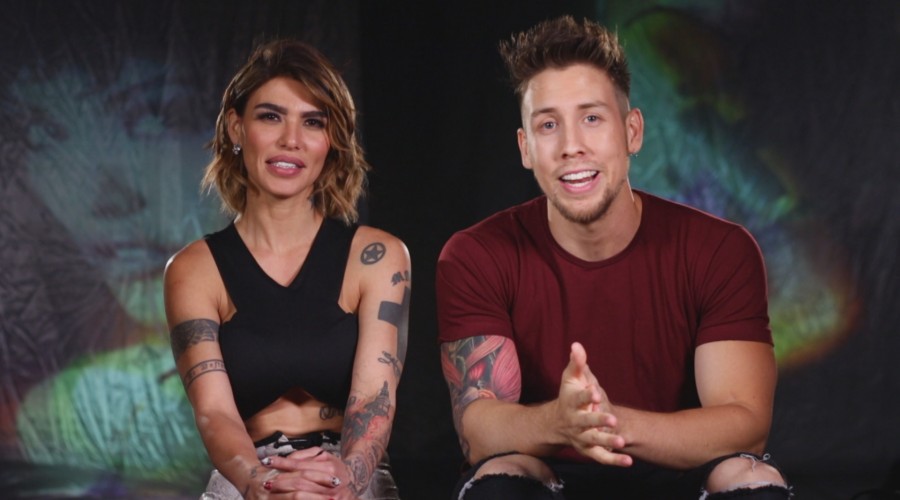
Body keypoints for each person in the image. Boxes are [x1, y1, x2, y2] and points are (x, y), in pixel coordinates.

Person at [436, 16, 791, 500]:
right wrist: (560, 422)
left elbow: (744, 425)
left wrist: (605, 421)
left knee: (751, 480)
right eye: (548, 125)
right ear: (525, 148)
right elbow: (479, 430)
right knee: (499, 479)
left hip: (680, 475)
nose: (571, 146)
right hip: (548, 474)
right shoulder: (477, 254)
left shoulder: (720, 250)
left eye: (592, 118)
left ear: (633, 131)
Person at [164, 39, 409, 499]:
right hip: (248, 476)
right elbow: (214, 413)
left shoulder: (378, 256)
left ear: (331, 141)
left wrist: (344, 480)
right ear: (236, 128)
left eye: (313, 122)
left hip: (350, 473)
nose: (291, 140)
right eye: (271, 116)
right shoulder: (193, 269)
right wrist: (260, 482)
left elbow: (374, 399)